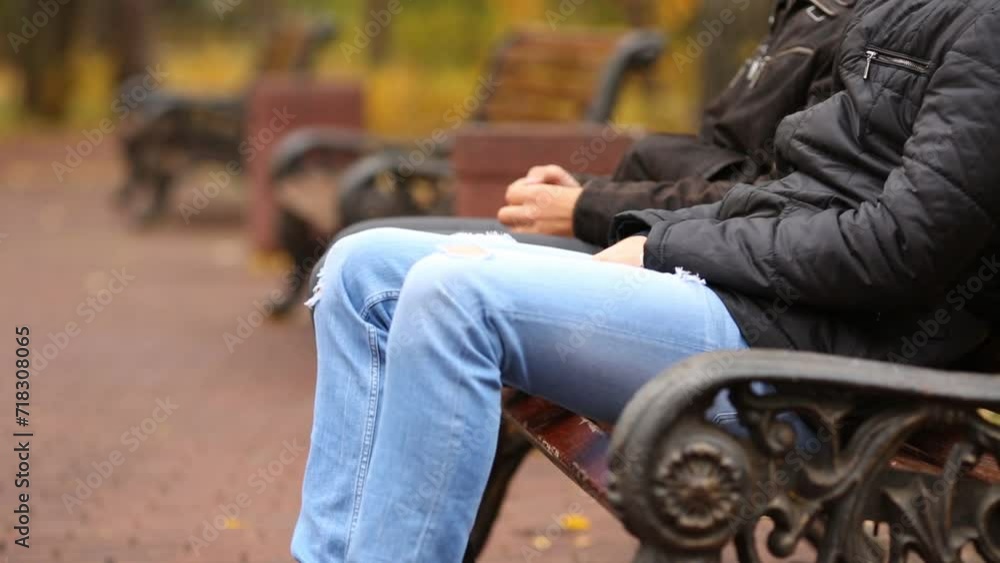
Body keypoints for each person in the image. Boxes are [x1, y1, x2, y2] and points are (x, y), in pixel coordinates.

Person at [293, 0, 1000, 561]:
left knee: (456, 296)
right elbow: (783, 187)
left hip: (816, 355)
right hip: (746, 296)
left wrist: (662, 245)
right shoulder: (882, 12)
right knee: (366, 267)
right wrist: (647, 227)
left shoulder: (981, 23)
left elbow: (898, 247)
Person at [335, 0, 855, 255]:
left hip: (681, 267)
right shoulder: (803, 14)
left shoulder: (853, 30)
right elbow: (725, 158)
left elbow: (774, 203)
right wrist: (593, 198)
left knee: (374, 260)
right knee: (363, 256)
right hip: (645, 237)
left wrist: (590, 208)